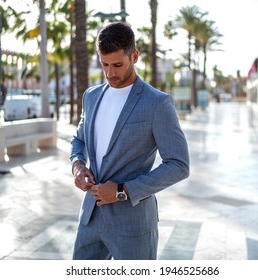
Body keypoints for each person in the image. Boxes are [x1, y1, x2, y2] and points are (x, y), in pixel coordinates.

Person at [70, 21, 189, 260]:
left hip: (132, 225)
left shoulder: (157, 103)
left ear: (134, 56)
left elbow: (179, 165)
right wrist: (78, 166)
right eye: (104, 64)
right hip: (90, 219)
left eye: (117, 65)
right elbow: (79, 140)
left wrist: (123, 191)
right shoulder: (91, 97)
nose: (110, 73)